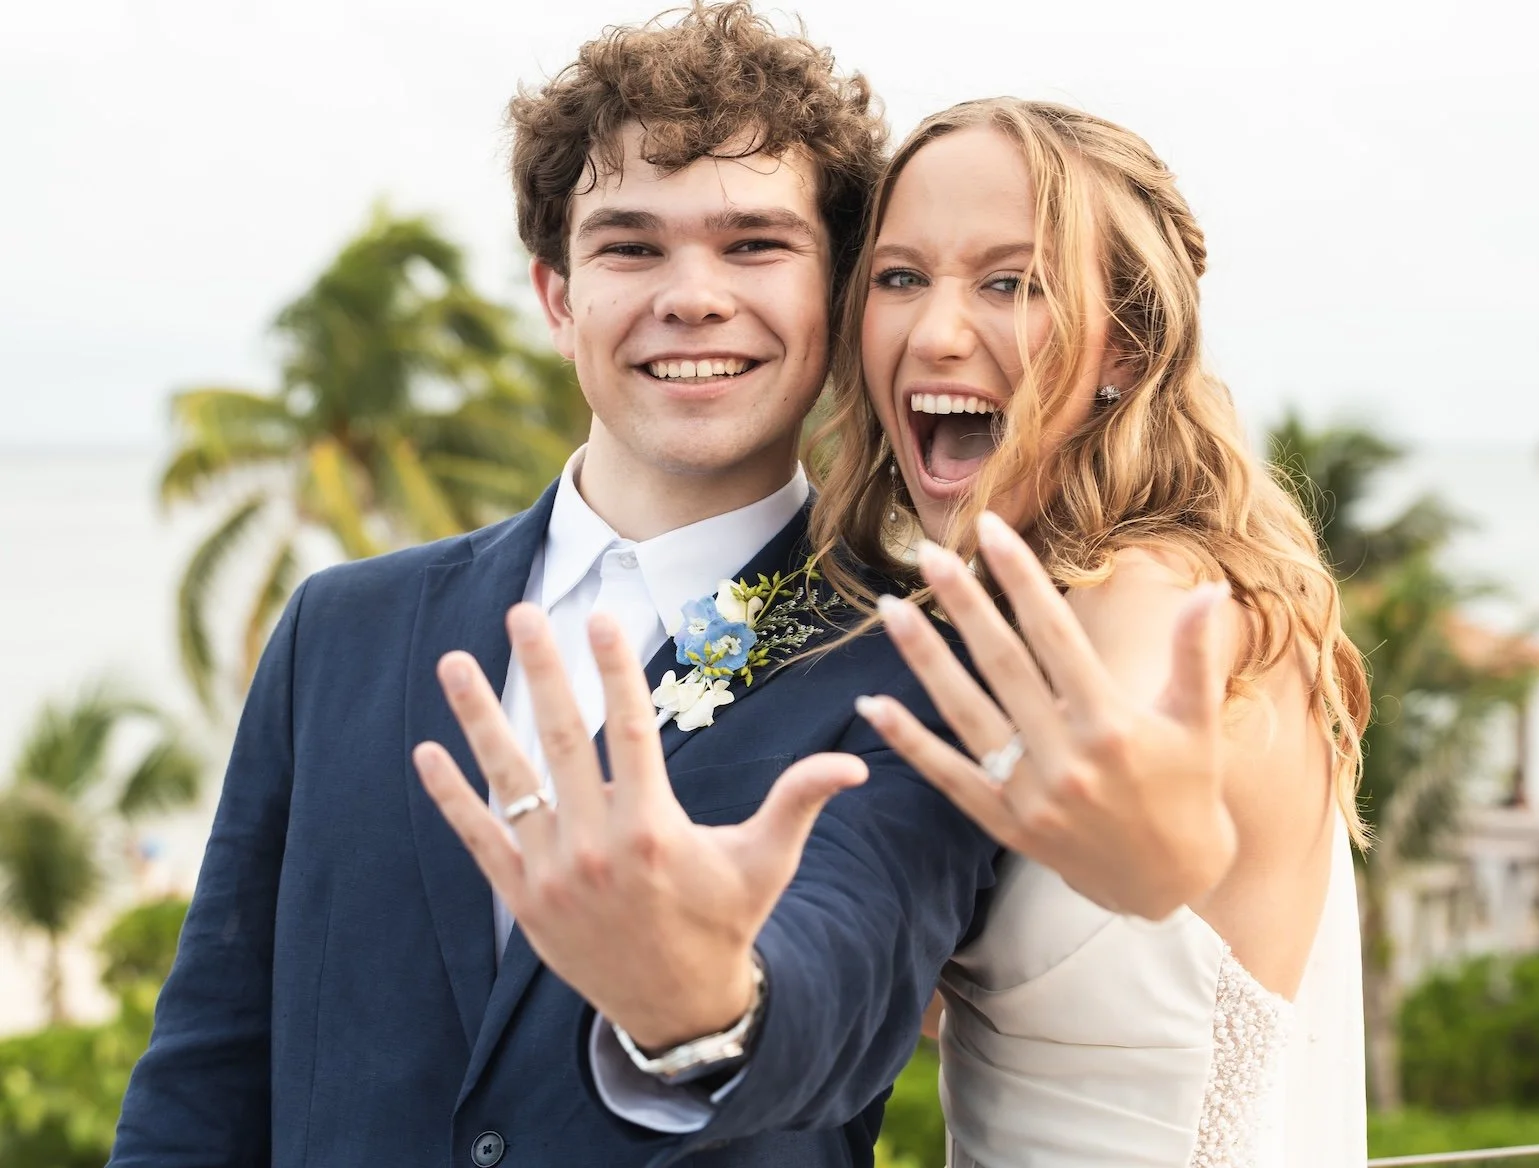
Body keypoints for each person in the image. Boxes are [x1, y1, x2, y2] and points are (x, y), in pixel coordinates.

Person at [110, 6, 997, 1166]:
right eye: (631, 246)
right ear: (557, 294)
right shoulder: (342, 631)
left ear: (834, 299)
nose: (693, 295)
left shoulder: (916, 660)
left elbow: (849, 985)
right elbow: (207, 1070)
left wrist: (705, 1005)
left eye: (753, 246)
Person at [808, 99, 1373, 1166]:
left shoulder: (1162, 591)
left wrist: (1158, 850)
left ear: (1129, 343)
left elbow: (1157, 792)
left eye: (1011, 282)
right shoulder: (1013, 615)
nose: (936, 329)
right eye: (899, 277)